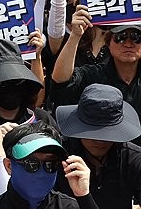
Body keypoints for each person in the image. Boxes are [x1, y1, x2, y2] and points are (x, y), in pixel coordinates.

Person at [55, 83, 141, 209]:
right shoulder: (56, 157)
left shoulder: (134, 158)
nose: (100, 140)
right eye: (93, 131)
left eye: (108, 132)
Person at [53, 17, 141, 152]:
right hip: (101, 157)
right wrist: (75, 36)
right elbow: (61, 80)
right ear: (108, 42)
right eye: (120, 37)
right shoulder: (94, 75)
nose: (128, 44)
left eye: (136, 37)